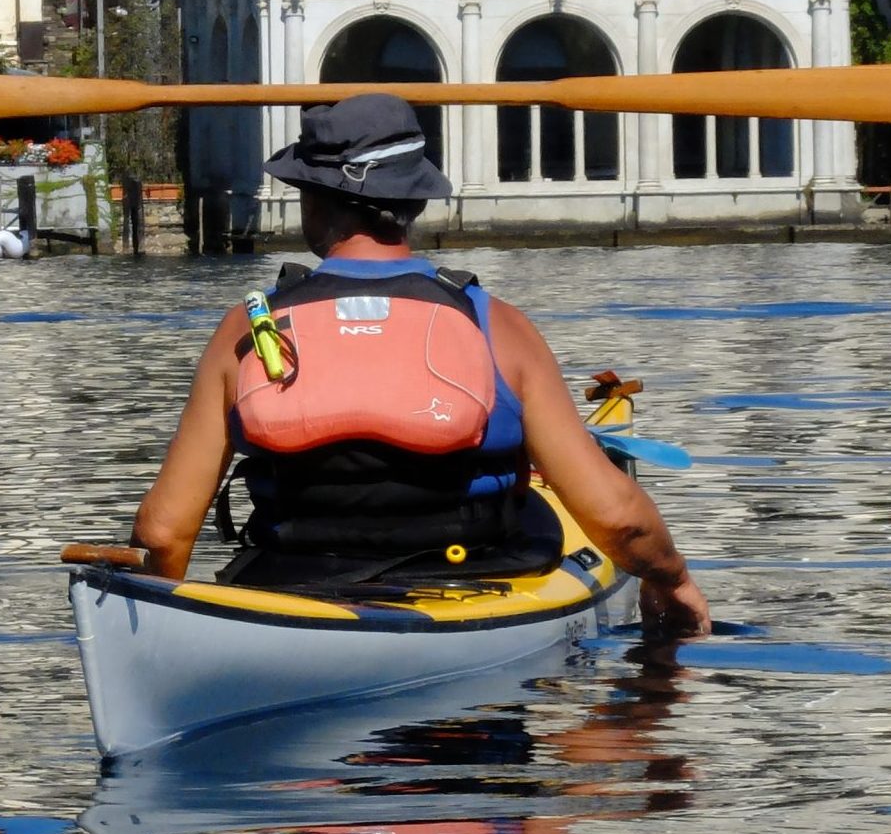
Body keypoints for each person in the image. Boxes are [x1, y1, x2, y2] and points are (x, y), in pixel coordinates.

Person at [128, 93, 711, 637]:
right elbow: (618, 517)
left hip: (286, 588)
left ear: (314, 199)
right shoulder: (495, 325)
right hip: (474, 583)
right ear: (413, 200)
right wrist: (672, 579)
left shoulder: (244, 331)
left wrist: (167, 624)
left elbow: (163, 529)